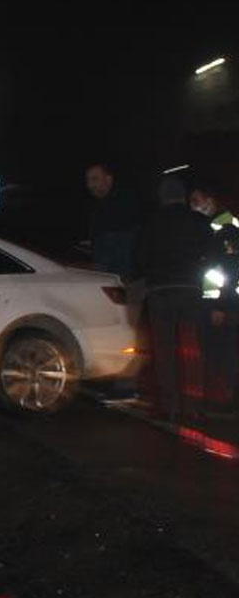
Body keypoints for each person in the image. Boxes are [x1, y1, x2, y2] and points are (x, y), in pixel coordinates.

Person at [134, 177, 216, 422]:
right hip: (190, 289)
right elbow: (212, 255)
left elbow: (139, 258)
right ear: (183, 196)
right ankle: (193, 405)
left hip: (160, 290)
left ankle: (169, 405)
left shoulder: (150, 224)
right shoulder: (199, 222)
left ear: (162, 197)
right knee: (191, 347)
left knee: (164, 349)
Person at [202, 224, 238, 414]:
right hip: (230, 309)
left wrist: (217, 308)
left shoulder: (220, 261)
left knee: (224, 354)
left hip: (225, 311)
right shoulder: (230, 259)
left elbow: (222, 286)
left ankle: (227, 397)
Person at [85, 163, 140, 279]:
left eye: (94, 179)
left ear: (108, 179)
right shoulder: (98, 205)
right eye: (88, 180)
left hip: (117, 277)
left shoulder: (123, 201)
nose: (90, 185)